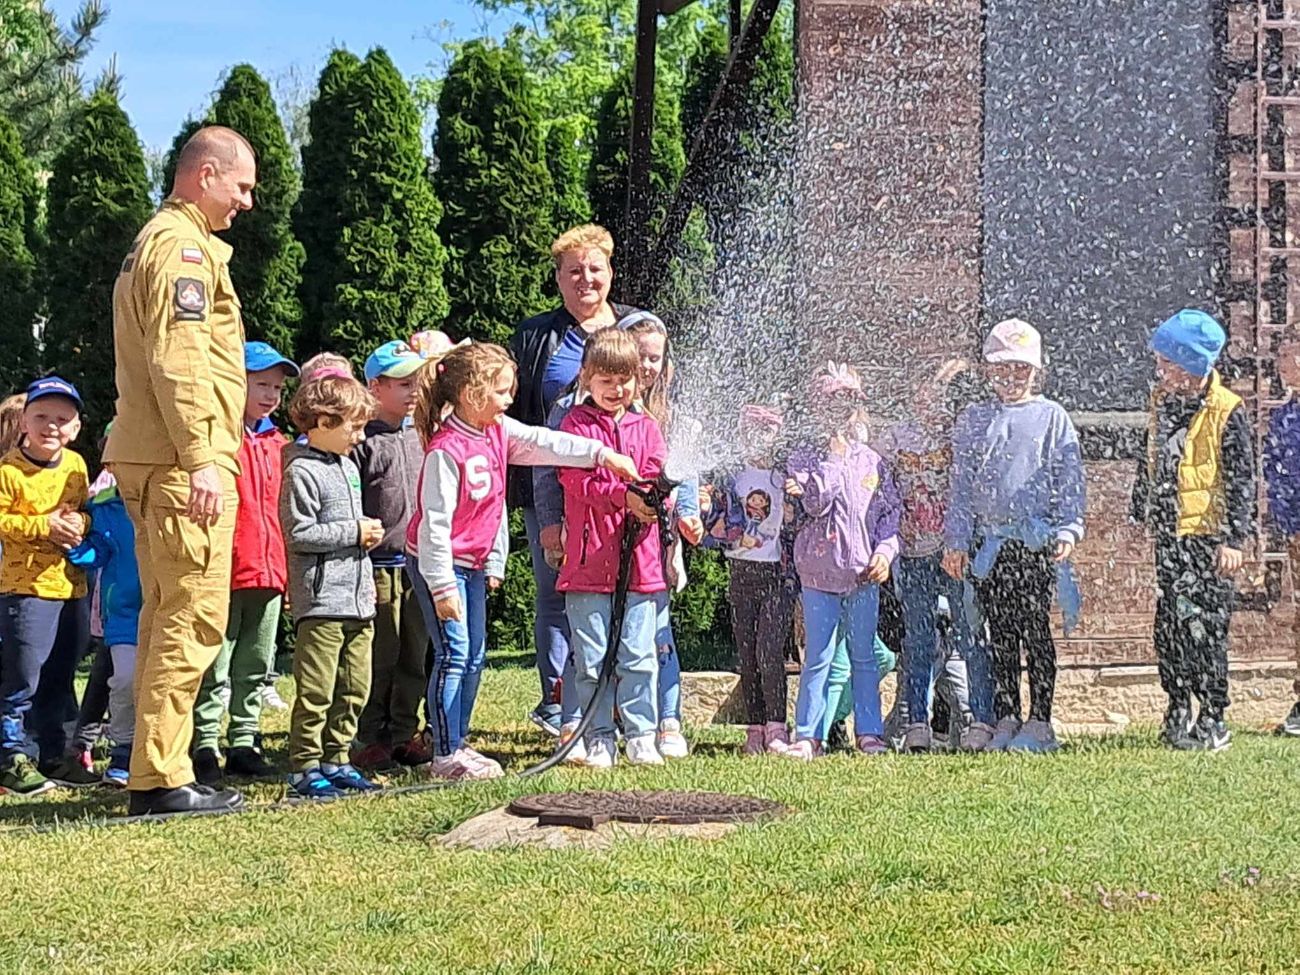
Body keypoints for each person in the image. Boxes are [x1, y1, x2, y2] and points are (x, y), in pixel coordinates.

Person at [105, 125, 254, 816]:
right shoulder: (184, 248)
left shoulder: (152, 245)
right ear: (205, 175)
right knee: (190, 616)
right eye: (241, 186)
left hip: (150, 453)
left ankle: (158, 768)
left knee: (171, 612)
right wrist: (202, 457)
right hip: (177, 460)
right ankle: (162, 778)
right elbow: (183, 362)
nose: (246, 202)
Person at [407, 341, 638, 780]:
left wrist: (599, 454)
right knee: (454, 655)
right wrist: (440, 588)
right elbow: (433, 527)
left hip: (471, 564)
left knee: (473, 656)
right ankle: (443, 754)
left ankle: (457, 743)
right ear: (472, 394)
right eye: (501, 392)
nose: (509, 400)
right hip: (440, 565)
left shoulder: (496, 430)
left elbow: (541, 441)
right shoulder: (447, 449)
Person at [507, 224, 639, 736]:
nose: (586, 279)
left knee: (627, 591)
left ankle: (622, 703)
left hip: (623, 486)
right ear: (558, 278)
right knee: (555, 590)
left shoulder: (635, 325)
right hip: (557, 487)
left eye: (595, 268)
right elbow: (521, 416)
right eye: (573, 271)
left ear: (610, 272)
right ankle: (558, 702)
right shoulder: (537, 335)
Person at [943, 319, 1086, 754]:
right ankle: (1007, 715)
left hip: (1035, 545)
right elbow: (962, 485)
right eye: (1002, 369)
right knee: (999, 633)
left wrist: (1068, 527)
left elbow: (1070, 478)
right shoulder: (975, 419)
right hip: (990, 548)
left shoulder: (1052, 417)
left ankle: (1040, 719)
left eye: (1020, 370)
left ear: (1035, 371)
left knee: (1035, 631)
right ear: (988, 371)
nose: (1010, 378)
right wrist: (956, 540)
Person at [1131, 310, 1253, 752]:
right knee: (1171, 625)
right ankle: (1178, 702)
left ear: (1193, 365)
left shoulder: (1227, 411)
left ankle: (1214, 714)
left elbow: (1242, 479)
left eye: (1168, 364)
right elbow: (1153, 458)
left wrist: (1236, 539)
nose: (1161, 371)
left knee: (1207, 626)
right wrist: (1139, 506)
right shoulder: (1163, 402)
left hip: (1208, 536)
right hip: (1170, 534)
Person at [778, 363, 901, 761]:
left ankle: (870, 732)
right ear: (818, 408)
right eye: (832, 402)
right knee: (818, 657)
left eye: (849, 402)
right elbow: (815, 504)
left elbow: (890, 517)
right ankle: (808, 735)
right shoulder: (804, 458)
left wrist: (884, 553)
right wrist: (831, 460)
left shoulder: (874, 463)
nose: (841, 410)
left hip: (863, 575)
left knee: (863, 656)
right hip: (818, 573)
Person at [557, 328, 667, 767]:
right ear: (586, 377)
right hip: (587, 563)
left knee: (638, 655)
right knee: (591, 657)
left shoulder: (647, 427)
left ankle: (642, 734)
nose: (616, 389)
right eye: (606, 379)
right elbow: (574, 478)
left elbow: (656, 471)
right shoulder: (574, 426)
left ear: (638, 381)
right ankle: (599, 734)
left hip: (639, 563)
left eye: (624, 380)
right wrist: (622, 496)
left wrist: (650, 499)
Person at [191, 341, 298, 785]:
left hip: (269, 569)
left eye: (276, 387)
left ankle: (245, 740)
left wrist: (290, 572)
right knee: (215, 662)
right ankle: (205, 742)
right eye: (260, 384)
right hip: (223, 569)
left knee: (257, 661)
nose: (270, 394)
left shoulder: (281, 444)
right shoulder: (217, 439)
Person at [877, 359, 995, 752]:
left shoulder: (961, 432)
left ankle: (981, 720)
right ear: (914, 394)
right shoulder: (897, 437)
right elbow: (875, 481)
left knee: (970, 635)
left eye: (942, 392)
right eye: (927, 390)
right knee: (919, 639)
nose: (934, 399)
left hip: (956, 550)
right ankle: (916, 725)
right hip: (913, 553)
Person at [281, 376, 385, 800]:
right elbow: (299, 533)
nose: (359, 437)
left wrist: (364, 538)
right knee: (318, 688)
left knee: (354, 686)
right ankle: (304, 767)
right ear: (323, 421)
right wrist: (353, 531)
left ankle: (336, 758)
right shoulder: (300, 470)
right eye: (353, 428)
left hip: (358, 599)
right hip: (323, 600)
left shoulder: (347, 465)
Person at [0, 377, 92, 794]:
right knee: (22, 680)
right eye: (41, 417)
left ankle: (54, 755)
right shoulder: (9, 471)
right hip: (25, 589)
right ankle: (11, 757)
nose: (51, 426)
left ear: (75, 428)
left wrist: (80, 524)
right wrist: (45, 526)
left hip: (70, 587)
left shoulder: (75, 466)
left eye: (62, 419)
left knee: (60, 674)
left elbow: (87, 511)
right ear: (23, 422)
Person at [350, 338, 434, 771]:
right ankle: (370, 734)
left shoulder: (423, 437)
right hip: (377, 565)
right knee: (379, 654)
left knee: (413, 653)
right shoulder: (361, 441)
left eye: (416, 381)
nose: (412, 390)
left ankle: (404, 731)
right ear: (374, 387)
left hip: (417, 564)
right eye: (402, 383)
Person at [700, 405, 798, 755]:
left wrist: (794, 508)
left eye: (768, 430)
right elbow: (713, 525)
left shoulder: (784, 476)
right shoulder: (732, 476)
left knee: (770, 650)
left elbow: (800, 522)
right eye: (754, 430)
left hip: (778, 575)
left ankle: (777, 726)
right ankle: (755, 727)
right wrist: (706, 508)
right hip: (742, 573)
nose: (761, 438)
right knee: (749, 653)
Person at [68, 473, 142, 788]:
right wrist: (72, 545)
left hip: (169, 609)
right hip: (124, 613)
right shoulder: (103, 506)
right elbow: (97, 552)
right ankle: (123, 752)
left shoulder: (173, 494)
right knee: (124, 680)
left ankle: (171, 751)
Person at [1266, 332, 1300, 736]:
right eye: (1281, 360)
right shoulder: (1285, 415)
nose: (1285, 369)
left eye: (1292, 359)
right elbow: (1274, 467)